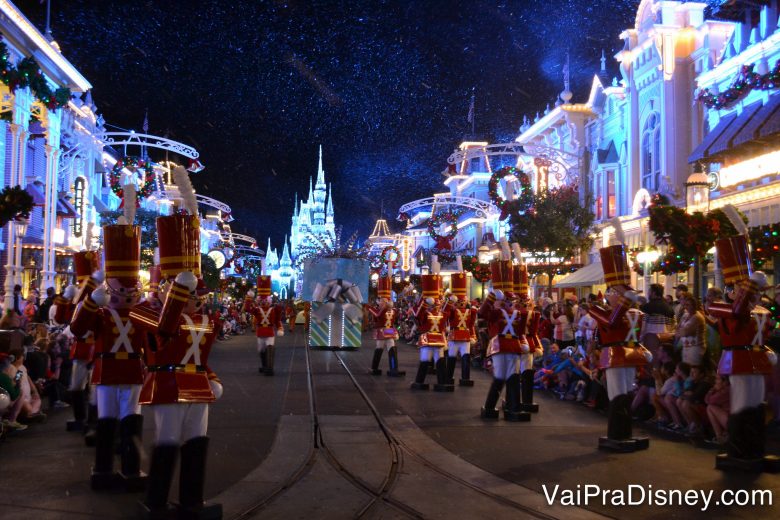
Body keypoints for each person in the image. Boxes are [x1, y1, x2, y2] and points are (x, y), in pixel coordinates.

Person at [135, 192, 223, 519]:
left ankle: (191, 501)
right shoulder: (145, 313)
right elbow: (164, 329)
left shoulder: (204, 320)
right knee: (168, 442)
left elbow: (202, 357)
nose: (193, 297)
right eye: (185, 290)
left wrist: (212, 379)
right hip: (167, 383)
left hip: (196, 385)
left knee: (197, 443)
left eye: (194, 291)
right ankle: (156, 502)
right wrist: (178, 290)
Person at [70, 220, 148, 490]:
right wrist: (90, 302)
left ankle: (130, 468)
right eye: (122, 289)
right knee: (107, 421)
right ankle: (103, 469)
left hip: (132, 373)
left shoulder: (141, 314)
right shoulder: (101, 313)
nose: (127, 294)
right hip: (108, 370)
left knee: (131, 421)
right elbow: (77, 328)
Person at [708, 221, 778, 472]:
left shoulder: (761, 310)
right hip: (738, 360)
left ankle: (754, 448)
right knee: (741, 402)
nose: (753, 293)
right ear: (732, 290)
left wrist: (768, 351)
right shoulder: (722, 307)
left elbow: (759, 336)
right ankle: (738, 448)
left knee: (757, 402)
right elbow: (737, 316)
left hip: (757, 361)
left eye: (755, 289)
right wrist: (749, 285)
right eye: (744, 287)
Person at [588, 239, 652, 452]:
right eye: (615, 292)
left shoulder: (635, 313)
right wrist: (626, 302)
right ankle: (617, 432)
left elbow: (635, 335)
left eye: (620, 292)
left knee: (627, 391)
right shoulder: (598, 310)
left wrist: (643, 350)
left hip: (630, 354)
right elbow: (611, 322)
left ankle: (625, 430)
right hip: (613, 355)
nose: (616, 296)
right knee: (616, 393)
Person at [479, 256, 529, 422]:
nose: (511, 303)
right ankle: (489, 406)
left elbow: (521, 332)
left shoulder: (519, 314)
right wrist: (492, 298)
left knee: (513, 377)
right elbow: (482, 313)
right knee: (500, 376)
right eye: (508, 300)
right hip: (499, 345)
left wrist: (524, 343)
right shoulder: (496, 313)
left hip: (513, 346)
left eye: (511, 301)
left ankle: (514, 408)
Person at [410, 273, 450, 391]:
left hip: (438, 338)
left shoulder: (443, 313)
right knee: (425, 360)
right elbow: (417, 316)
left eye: (439, 303)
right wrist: (424, 302)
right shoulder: (425, 313)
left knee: (440, 360)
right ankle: (420, 381)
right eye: (437, 303)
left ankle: (441, 382)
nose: (438, 304)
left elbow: (449, 311)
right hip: (428, 338)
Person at [246, 273, 283, 375]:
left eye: (265, 301)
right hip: (261, 332)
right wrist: (248, 298)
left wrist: (280, 328)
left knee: (270, 347)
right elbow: (248, 309)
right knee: (261, 350)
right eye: (262, 301)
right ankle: (264, 366)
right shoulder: (257, 310)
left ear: (269, 301)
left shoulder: (273, 309)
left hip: (270, 331)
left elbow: (277, 320)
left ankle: (270, 369)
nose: (264, 302)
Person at [367, 276, 405, 377]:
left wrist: (368, 307)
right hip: (389, 331)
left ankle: (376, 368)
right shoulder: (394, 310)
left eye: (380, 301)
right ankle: (393, 368)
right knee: (389, 348)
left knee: (383, 348)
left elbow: (377, 315)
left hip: (383, 331)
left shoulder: (382, 310)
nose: (379, 303)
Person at [445, 270, 475, 386]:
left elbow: (471, 325)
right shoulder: (452, 310)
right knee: (451, 357)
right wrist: (449, 302)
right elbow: (445, 313)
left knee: (465, 357)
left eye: (463, 301)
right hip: (454, 335)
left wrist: (473, 336)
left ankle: (465, 378)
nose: (461, 303)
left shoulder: (471, 311)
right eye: (459, 301)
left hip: (465, 336)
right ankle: (448, 376)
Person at [675, 295, 706, 368]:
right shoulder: (685, 315)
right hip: (685, 346)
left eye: (688, 305)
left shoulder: (697, 317)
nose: (686, 307)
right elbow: (677, 328)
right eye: (685, 304)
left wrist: (680, 332)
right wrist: (679, 331)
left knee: (693, 369)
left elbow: (686, 332)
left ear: (694, 305)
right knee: (686, 369)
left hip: (695, 348)